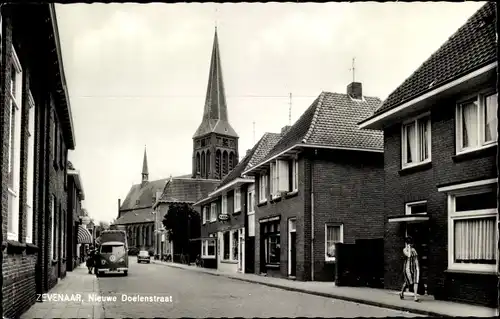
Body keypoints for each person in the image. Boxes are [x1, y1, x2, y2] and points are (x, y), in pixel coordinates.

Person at [400, 236, 420, 302]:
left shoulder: (414, 250)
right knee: (408, 282)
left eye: (411, 243)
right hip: (408, 268)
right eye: (409, 243)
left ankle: (415, 297)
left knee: (416, 281)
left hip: (415, 268)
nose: (411, 245)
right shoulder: (404, 250)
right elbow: (408, 255)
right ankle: (402, 292)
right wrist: (408, 248)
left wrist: (417, 267)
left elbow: (416, 258)